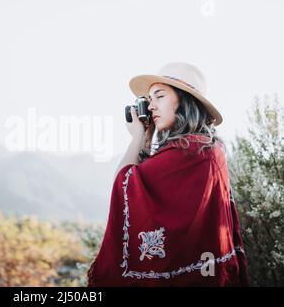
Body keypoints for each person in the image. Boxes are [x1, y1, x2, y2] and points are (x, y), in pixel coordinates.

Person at [87, 62, 249, 286]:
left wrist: (137, 138)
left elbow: (123, 183)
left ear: (185, 100)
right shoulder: (208, 148)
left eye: (159, 96)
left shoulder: (187, 153)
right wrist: (146, 136)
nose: (151, 106)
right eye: (149, 100)